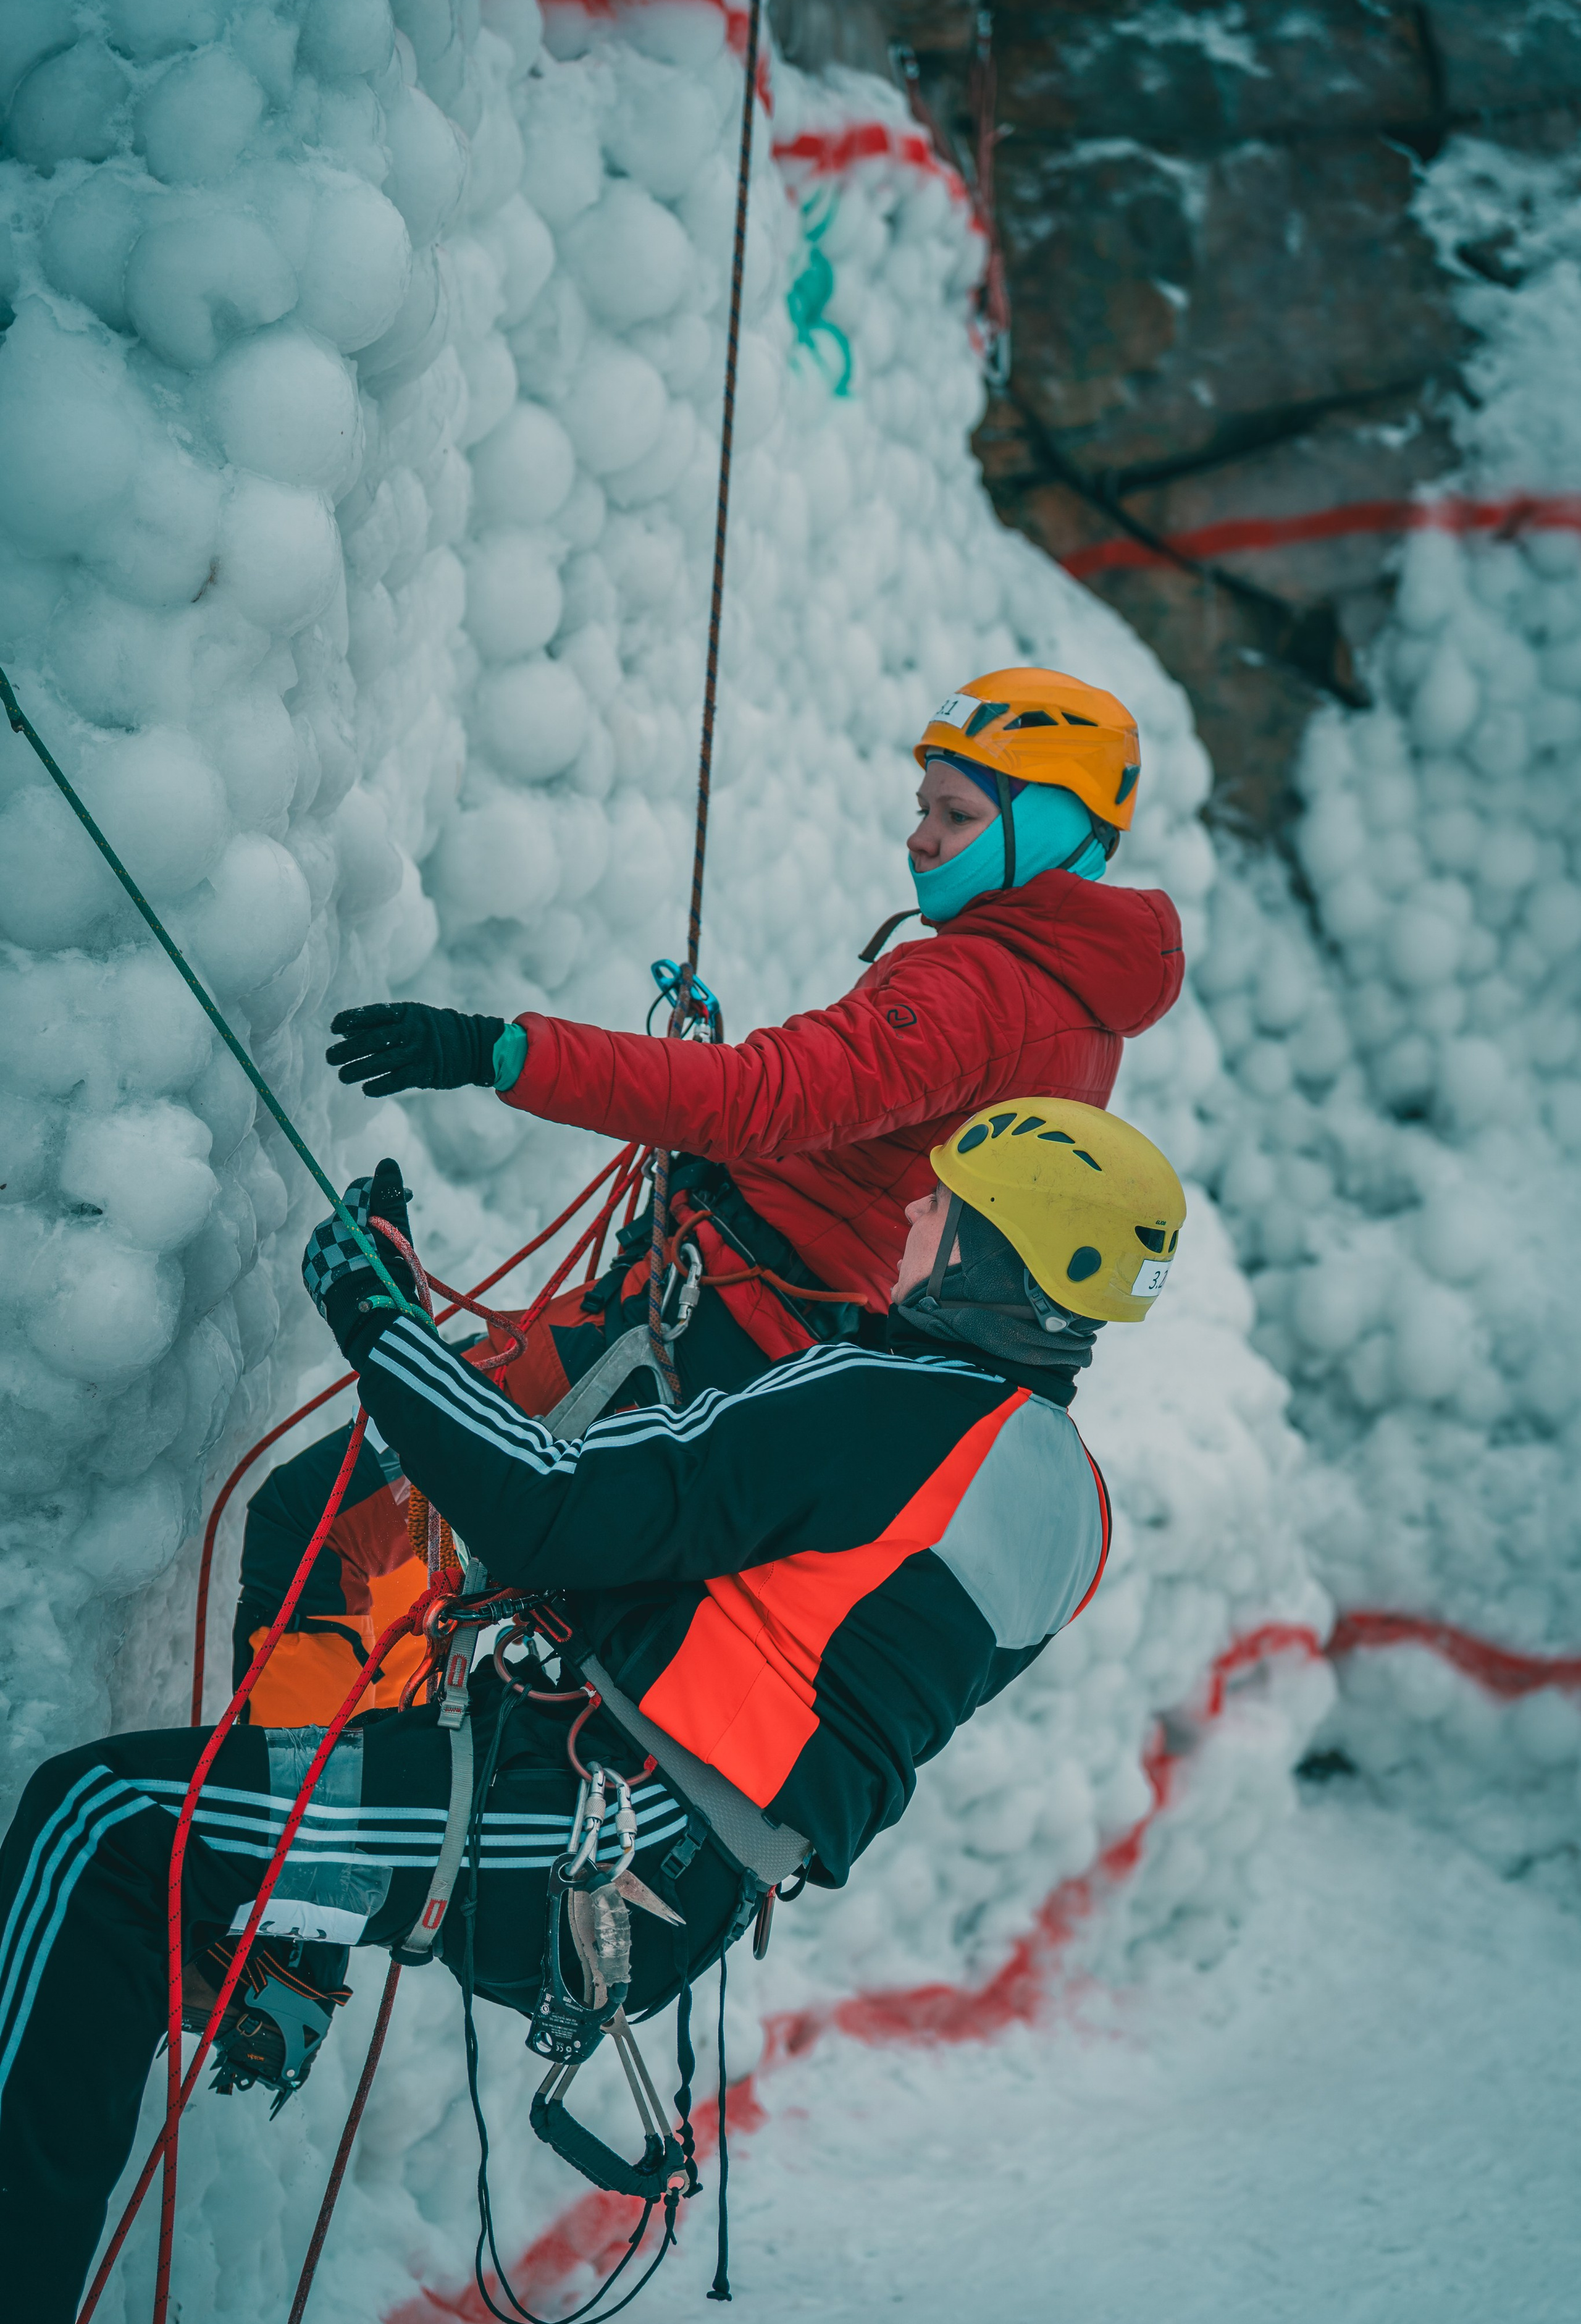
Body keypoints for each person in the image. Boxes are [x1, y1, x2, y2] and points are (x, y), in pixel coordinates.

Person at [0, 1098, 1185, 2324]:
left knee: (104, 1827)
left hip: (581, 1833)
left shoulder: (894, 1412)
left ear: (989, 1252)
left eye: (939, 1207)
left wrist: (377, 1319)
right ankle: (261, 1950)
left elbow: (550, 1504)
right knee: (145, 1846)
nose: (908, 1214)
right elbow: (785, 1627)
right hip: (635, 1866)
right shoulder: (1066, 1504)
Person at [235, 670, 1185, 1724]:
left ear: (1048, 830)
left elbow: (765, 1099)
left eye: (956, 815)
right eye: (923, 809)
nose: (919, 839)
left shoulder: (977, 991)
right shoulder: (1074, 1007)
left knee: (320, 1533)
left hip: (701, 1332)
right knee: (458, 1589)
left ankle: (270, 1819)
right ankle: (358, 1793)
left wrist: (497, 1050)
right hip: (752, 1349)